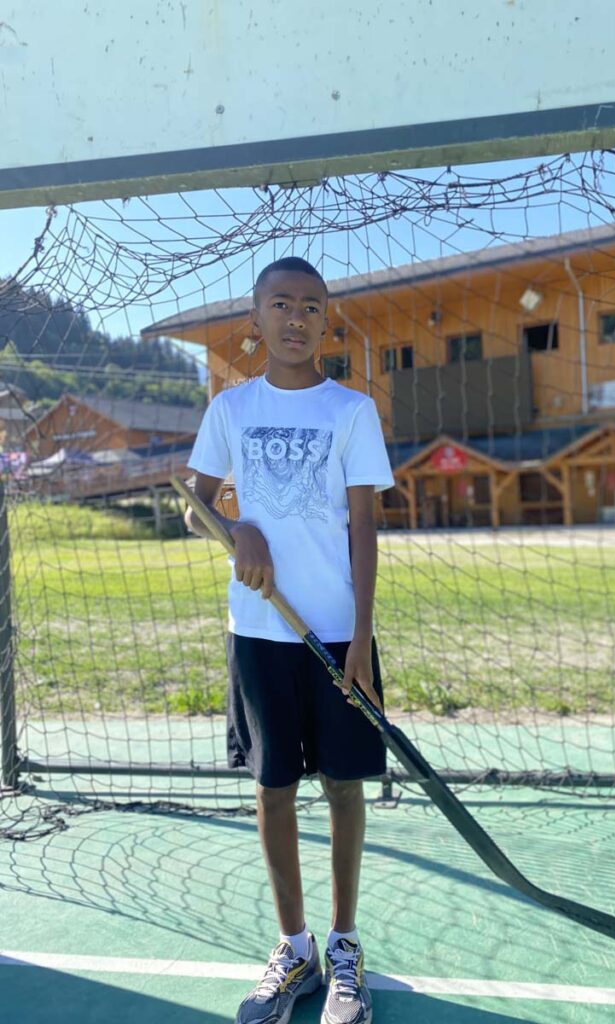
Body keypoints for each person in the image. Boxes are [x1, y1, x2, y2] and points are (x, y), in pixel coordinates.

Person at [184, 256, 394, 1024]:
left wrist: (361, 639)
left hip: (336, 633)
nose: (296, 317)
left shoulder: (352, 411)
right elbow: (194, 508)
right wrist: (236, 527)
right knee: (273, 788)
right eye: (281, 303)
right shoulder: (230, 408)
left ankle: (343, 945)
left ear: (326, 320)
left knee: (342, 785)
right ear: (257, 319)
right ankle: (295, 946)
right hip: (260, 632)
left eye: (310, 305)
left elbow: (365, 527)